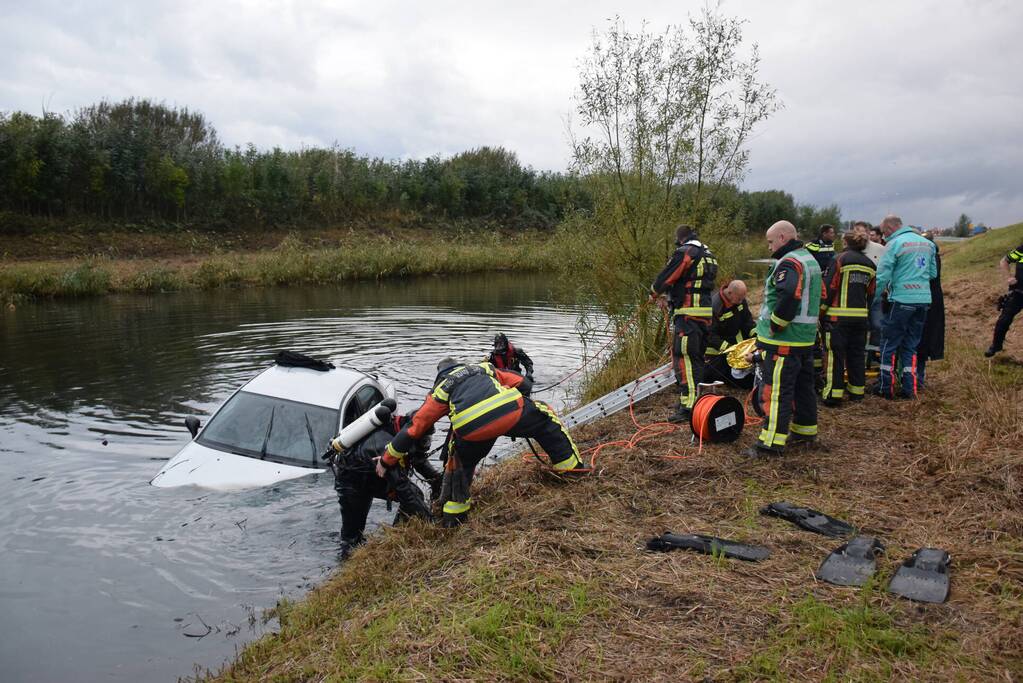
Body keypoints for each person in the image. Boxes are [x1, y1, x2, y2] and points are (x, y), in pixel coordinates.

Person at [378, 359, 584, 527]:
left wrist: (386, 461)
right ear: (458, 365)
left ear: (439, 376)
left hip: (470, 430)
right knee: (546, 419)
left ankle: (454, 517)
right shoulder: (483, 368)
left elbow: (414, 428)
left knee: (459, 463)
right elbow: (524, 384)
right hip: (509, 412)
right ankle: (571, 470)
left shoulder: (440, 390)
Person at [744, 220, 824, 457]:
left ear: (782, 238)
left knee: (776, 391)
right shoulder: (809, 259)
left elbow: (788, 295)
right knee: (803, 388)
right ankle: (805, 431)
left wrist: (776, 325)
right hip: (805, 340)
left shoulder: (789, 262)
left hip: (784, 341)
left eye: (770, 242)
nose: (769, 247)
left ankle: (769, 443)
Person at [330, 410, 441, 558]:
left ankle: (396, 537)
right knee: (352, 538)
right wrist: (432, 522)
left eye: (426, 441)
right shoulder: (384, 445)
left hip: (376, 476)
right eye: (422, 441)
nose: (425, 445)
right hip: (352, 484)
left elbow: (418, 459)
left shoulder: (405, 433)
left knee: (415, 496)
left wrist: (437, 481)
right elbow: (404, 489)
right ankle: (346, 563)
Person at [649, 224, 719, 422]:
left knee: (684, 357)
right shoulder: (709, 254)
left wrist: (654, 293)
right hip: (705, 314)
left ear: (680, 239)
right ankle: (694, 399)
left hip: (688, 315)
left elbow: (668, 274)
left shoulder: (686, 251)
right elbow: (693, 281)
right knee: (696, 358)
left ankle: (688, 406)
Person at [873, 215, 937, 399]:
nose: (884, 236)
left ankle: (886, 387)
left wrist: (873, 299)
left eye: (884, 232)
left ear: (890, 228)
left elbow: (883, 275)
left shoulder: (894, 244)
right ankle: (910, 388)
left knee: (889, 343)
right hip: (923, 300)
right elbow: (932, 273)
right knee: (911, 345)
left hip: (901, 300)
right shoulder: (928, 244)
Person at [820, 231, 876, 405]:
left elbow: (829, 288)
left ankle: (833, 395)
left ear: (845, 242)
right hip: (860, 319)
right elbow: (871, 293)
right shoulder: (870, 265)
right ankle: (857, 392)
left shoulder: (839, 260)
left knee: (834, 356)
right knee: (857, 355)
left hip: (837, 319)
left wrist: (820, 313)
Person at [704, 279, 756, 389]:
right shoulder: (714, 307)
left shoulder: (739, 300)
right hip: (717, 350)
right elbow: (710, 335)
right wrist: (729, 349)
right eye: (739, 298)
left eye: (743, 298)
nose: (741, 301)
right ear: (730, 293)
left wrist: (755, 336)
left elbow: (747, 321)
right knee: (721, 376)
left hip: (735, 345)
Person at [915, 232, 945, 389]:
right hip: (928, 299)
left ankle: (918, 378)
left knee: (921, 339)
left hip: (927, 300)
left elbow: (930, 276)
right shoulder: (931, 255)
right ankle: (916, 377)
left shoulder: (931, 257)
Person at [984, 241, 1023, 357]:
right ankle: (996, 346)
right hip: (1018, 293)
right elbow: (1004, 261)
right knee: (1003, 320)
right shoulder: (1021, 250)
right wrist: (1009, 277)